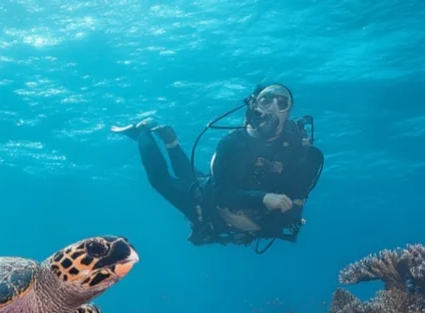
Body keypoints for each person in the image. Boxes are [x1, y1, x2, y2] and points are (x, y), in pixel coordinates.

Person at [113, 83, 324, 249]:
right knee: (161, 180)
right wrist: (263, 199)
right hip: (208, 203)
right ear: (254, 106)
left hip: (235, 213)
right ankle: (143, 132)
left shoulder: (303, 155)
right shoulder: (233, 143)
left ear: (289, 110)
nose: (273, 107)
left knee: (189, 176)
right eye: (266, 100)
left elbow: (296, 205)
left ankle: (170, 140)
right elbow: (220, 193)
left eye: (282, 102)